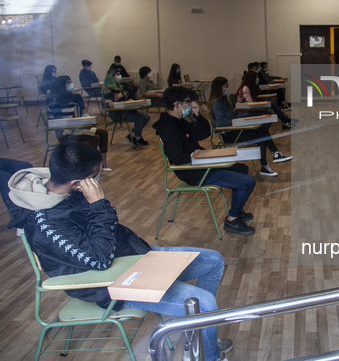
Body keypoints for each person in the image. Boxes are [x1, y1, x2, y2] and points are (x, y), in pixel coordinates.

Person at [7, 142, 232, 361]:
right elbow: (100, 259)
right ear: (78, 183)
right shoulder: (48, 222)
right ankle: (207, 355)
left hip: (132, 258)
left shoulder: (66, 192)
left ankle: (197, 339)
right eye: (96, 174)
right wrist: (98, 204)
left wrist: (99, 208)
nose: (99, 177)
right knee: (204, 303)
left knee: (213, 260)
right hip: (110, 284)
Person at [153, 86, 257, 235]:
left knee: (241, 169)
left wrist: (197, 115)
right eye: (187, 102)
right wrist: (202, 156)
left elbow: (203, 134)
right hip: (192, 171)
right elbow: (176, 158)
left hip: (201, 163)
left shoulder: (180, 121)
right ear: (177, 104)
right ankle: (232, 221)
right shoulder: (168, 126)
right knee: (248, 182)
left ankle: (237, 211)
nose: (190, 105)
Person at [209, 76, 292, 177]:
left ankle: (273, 156)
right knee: (261, 136)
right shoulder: (217, 104)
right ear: (219, 88)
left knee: (262, 129)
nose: (228, 88)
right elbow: (221, 124)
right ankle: (268, 162)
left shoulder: (223, 101)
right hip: (230, 134)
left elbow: (232, 116)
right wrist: (239, 122)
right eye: (226, 86)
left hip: (235, 129)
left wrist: (241, 120)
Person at [48, 75, 111, 171]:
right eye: (68, 82)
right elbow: (59, 122)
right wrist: (77, 123)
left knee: (103, 133)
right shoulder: (54, 103)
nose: (71, 84)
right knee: (95, 138)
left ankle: (104, 164)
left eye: (70, 81)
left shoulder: (71, 100)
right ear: (61, 86)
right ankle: (85, 165)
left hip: (75, 128)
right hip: (64, 133)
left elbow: (77, 115)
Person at [103, 65, 150, 147]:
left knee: (146, 116)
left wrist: (128, 101)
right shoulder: (107, 89)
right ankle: (137, 137)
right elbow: (110, 104)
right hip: (116, 112)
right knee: (139, 118)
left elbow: (124, 98)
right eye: (117, 75)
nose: (119, 76)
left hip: (126, 109)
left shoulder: (120, 86)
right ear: (112, 77)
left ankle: (133, 135)